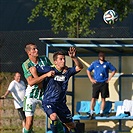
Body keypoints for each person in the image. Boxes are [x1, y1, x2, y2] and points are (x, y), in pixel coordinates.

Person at [29, 47, 83, 133]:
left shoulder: (67, 71)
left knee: (71, 126)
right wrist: (42, 78)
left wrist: (74, 58)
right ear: (55, 62)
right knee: (53, 116)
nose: (63, 61)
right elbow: (32, 68)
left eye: (64, 59)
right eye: (60, 59)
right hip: (49, 101)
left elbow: (80, 67)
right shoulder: (49, 69)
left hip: (61, 104)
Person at [22, 42, 64, 133]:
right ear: (29, 52)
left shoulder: (44, 59)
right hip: (31, 95)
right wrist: (45, 75)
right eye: (34, 49)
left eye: (36, 48)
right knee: (29, 123)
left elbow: (53, 69)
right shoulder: (26, 64)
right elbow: (31, 82)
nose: (37, 50)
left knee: (54, 117)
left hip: (44, 93)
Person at [86, 51, 117, 119]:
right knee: (94, 98)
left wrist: (109, 78)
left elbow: (114, 70)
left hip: (104, 83)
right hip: (96, 83)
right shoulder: (94, 63)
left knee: (103, 98)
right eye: (100, 55)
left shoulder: (107, 63)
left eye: (103, 55)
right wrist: (91, 79)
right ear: (98, 56)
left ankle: (101, 112)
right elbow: (88, 70)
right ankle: (91, 112)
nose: (101, 57)